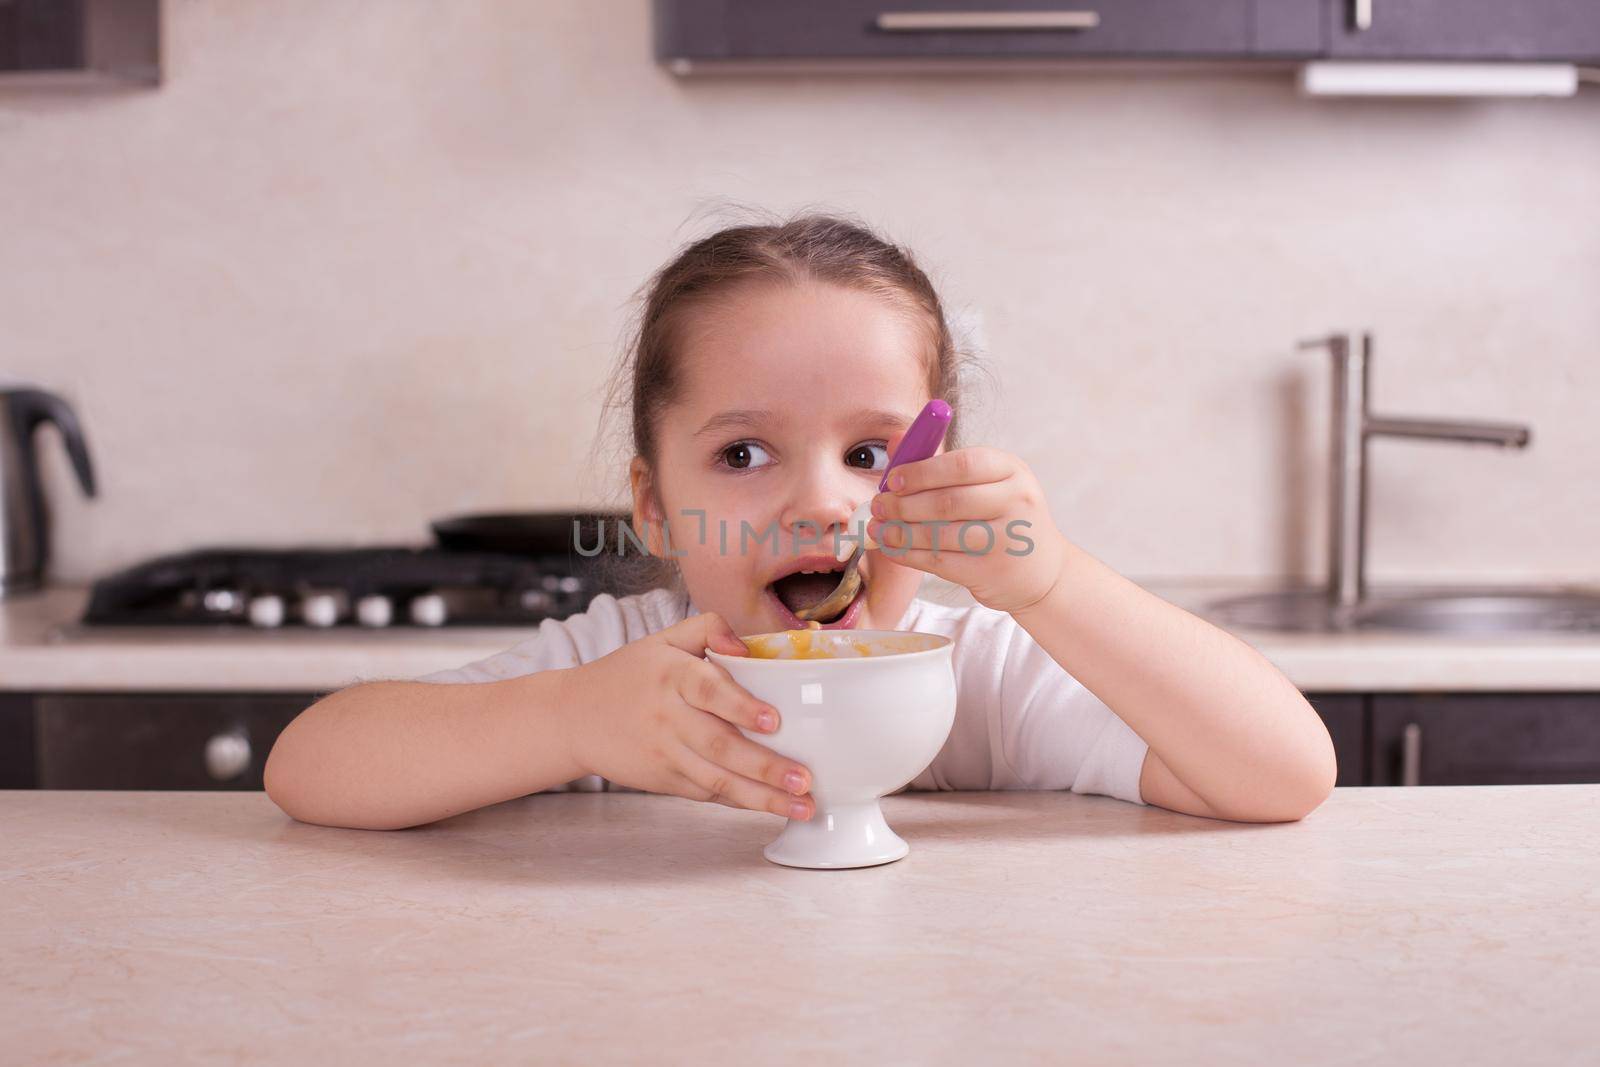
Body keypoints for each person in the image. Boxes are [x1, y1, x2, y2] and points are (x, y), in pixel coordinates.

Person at [264, 215, 1335, 831]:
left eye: (870, 455)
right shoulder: (627, 673)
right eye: (742, 453)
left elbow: (1282, 773)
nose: (824, 501)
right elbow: (308, 767)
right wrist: (565, 721)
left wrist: (1049, 583)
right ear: (655, 506)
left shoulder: (987, 677)